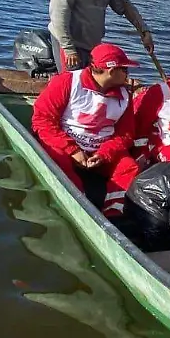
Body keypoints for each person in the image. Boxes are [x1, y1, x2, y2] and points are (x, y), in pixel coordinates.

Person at [30, 42, 141, 217]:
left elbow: (125, 134)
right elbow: (42, 120)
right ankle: (79, 206)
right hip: (66, 145)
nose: (128, 74)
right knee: (59, 161)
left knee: (128, 167)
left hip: (100, 151)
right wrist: (72, 150)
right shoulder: (67, 82)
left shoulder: (125, 96)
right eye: (124, 69)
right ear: (111, 71)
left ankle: (115, 213)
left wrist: (104, 154)